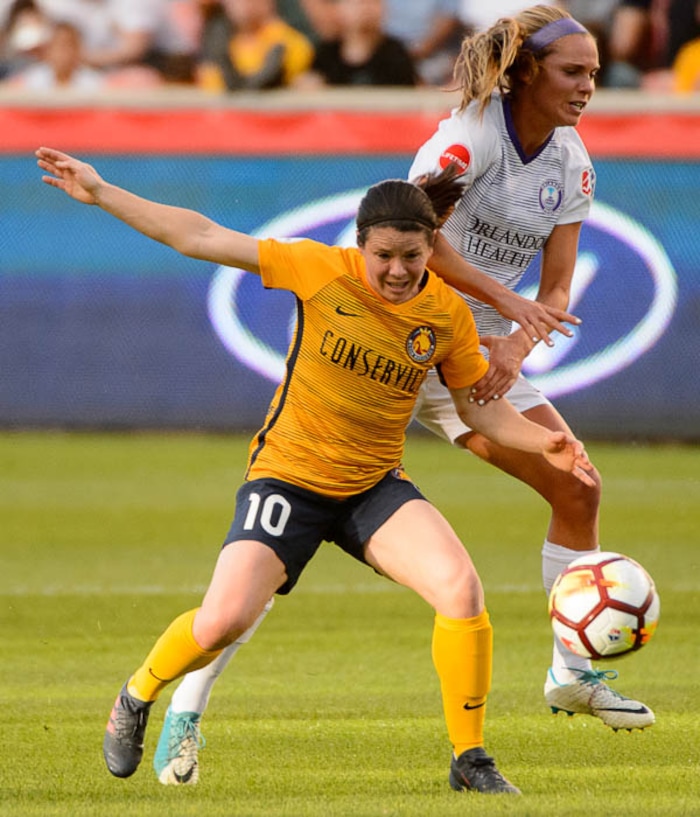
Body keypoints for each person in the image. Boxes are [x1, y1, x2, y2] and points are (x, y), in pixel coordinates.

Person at [147, 3, 656, 789]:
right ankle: (188, 699)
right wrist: (502, 302)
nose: (590, 86)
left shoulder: (572, 164)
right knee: (279, 555)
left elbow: (556, 284)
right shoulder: (469, 138)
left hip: (470, 359)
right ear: (526, 73)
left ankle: (571, 670)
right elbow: (416, 241)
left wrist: (514, 344)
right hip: (395, 336)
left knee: (578, 480)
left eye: (592, 73)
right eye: (574, 72)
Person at [36, 145, 597, 795]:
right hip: (288, 480)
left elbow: (483, 410)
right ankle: (137, 694)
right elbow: (198, 234)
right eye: (383, 255)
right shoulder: (317, 268)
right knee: (221, 622)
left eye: (412, 257)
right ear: (361, 246)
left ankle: (469, 758)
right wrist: (103, 191)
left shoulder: (444, 313)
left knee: (460, 590)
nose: (395, 270)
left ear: (429, 251)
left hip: (371, 486)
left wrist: (544, 443)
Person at [294, 0, 418, 88]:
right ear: (339, 9)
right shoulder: (326, 54)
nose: (366, 9)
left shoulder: (395, 53)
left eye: (374, 1)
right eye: (359, 2)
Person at [196, 0, 314, 92]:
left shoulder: (290, 41)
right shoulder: (219, 36)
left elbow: (265, 83)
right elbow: (212, 81)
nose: (241, 4)